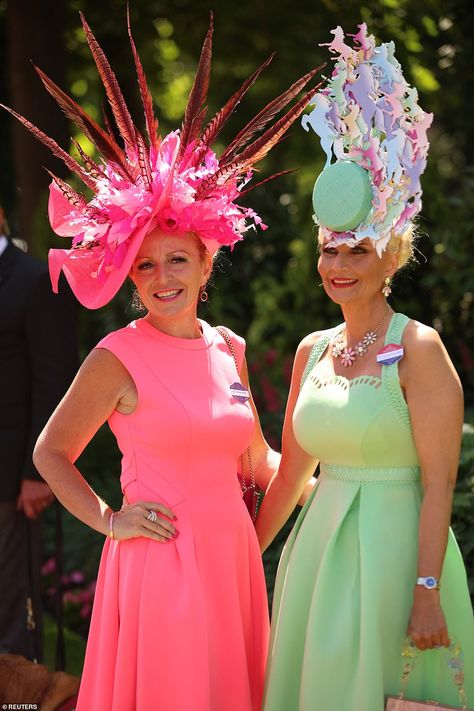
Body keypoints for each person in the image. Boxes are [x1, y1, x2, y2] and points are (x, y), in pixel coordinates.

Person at [4, 11, 323, 710]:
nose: (161, 276)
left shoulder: (228, 346)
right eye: (144, 265)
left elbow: (256, 460)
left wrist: (327, 471)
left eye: (176, 259)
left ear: (206, 261)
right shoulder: (117, 357)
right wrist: (111, 520)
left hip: (232, 563)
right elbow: (51, 452)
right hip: (161, 566)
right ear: (130, 275)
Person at [257, 25, 474, 711]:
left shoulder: (421, 348)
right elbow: (293, 473)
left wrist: (426, 593)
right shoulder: (312, 350)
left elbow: (439, 483)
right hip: (317, 561)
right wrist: (238, 555)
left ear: (388, 254)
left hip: (396, 565)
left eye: (355, 251)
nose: (338, 266)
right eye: (328, 251)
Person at [0, 206, 77, 662]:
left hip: (11, 480)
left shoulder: (35, 281)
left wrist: (38, 472)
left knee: (11, 605)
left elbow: (56, 380)